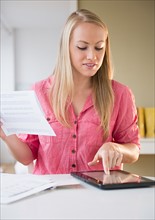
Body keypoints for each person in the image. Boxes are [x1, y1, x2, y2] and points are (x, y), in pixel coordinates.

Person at [0, 9, 140, 175]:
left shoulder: (120, 94)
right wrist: (4, 131)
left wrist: (116, 148)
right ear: (66, 48)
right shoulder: (39, 92)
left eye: (99, 48)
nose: (92, 56)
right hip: (50, 194)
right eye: (82, 47)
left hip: (98, 196)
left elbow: (134, 150)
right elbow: (27, 157)